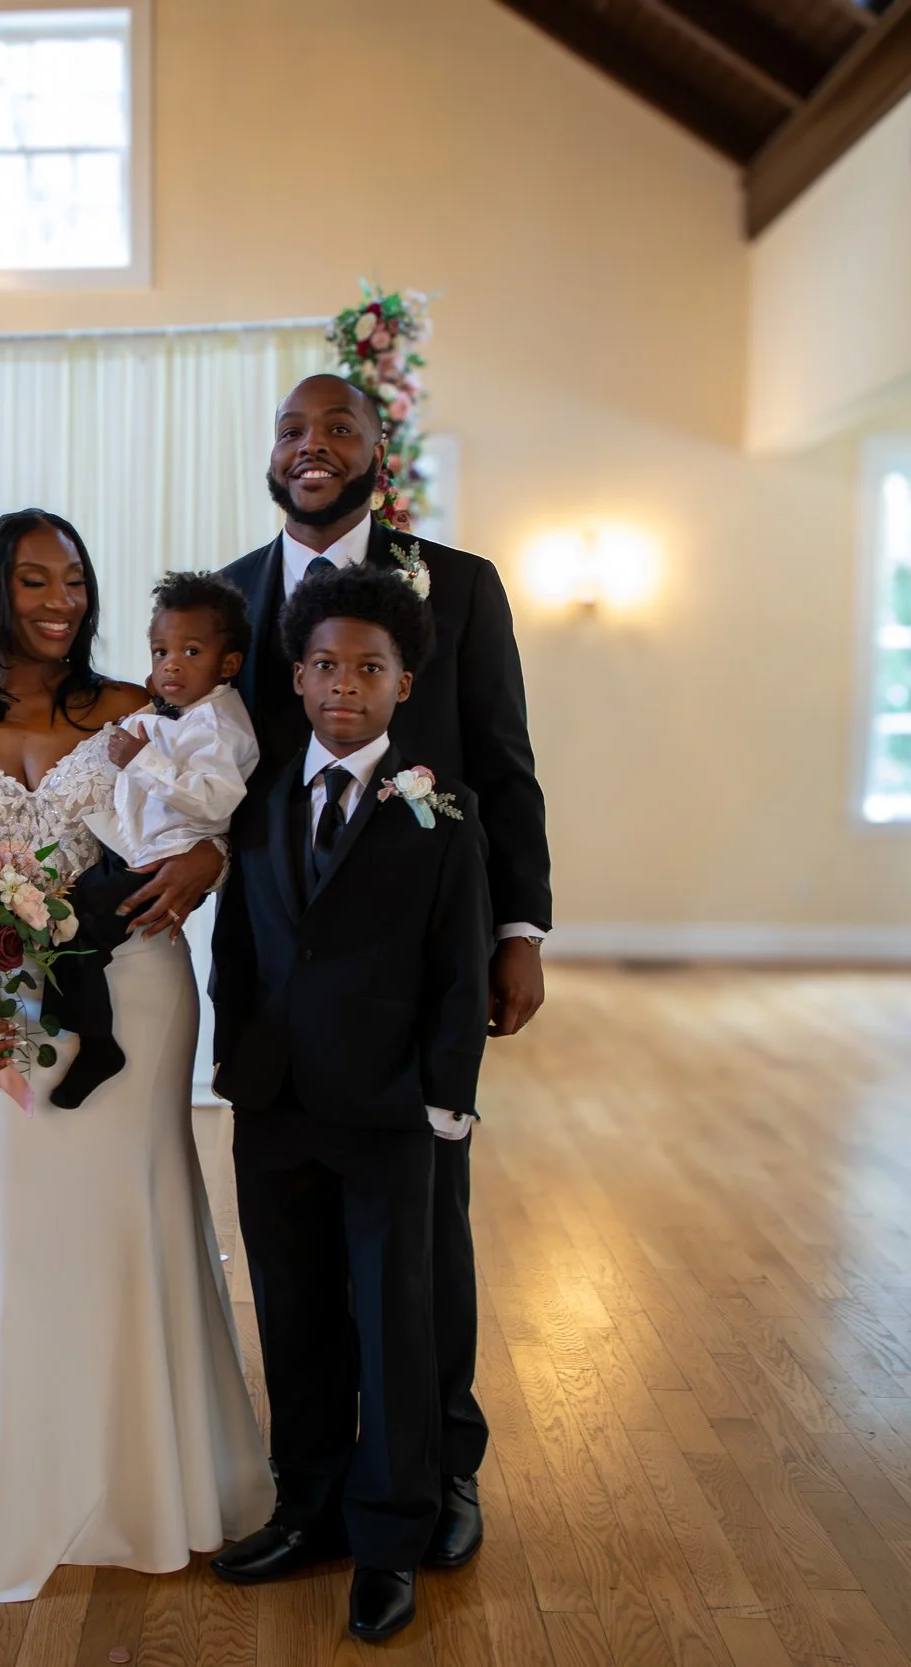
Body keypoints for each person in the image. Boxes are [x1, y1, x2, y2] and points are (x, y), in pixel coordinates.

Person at [0, 510, 272, 1602]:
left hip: (137, 994)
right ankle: (17, 1478)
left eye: (78, 581)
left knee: (136, 1212)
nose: (62, 599)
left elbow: (218, 804)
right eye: (37, 579)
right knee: (25, 1221)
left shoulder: (141, 706)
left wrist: (212, 855)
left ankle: (155, 1479)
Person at [191, 373, 549, 1570]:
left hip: (409, 979)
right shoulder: (230, 602)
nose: (311, 446)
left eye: (338, 426)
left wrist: (519, 932)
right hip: (287, 993)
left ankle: (438, 1464)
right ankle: (319, 1486)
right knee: (294, 1270)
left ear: (378, 450)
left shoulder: (463, 584)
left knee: (420, 1252)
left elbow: (502, 767)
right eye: (290, 428)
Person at [207, 567, 490, 1643]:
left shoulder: (438, 816)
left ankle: (388, 1534)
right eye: (324, 664)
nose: (342, 684)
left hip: (387, 1115)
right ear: (298, 673)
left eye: (367, 667)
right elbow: (240, 948)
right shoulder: (261, 800)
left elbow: (459, 978)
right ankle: (309, 1506)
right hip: (276, 1105)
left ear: (401, 681)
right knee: (293, 1310)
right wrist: (236, 1063)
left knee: (392, 1322)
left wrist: (443, 1103)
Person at [51, 570, 259, 1109]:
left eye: (190, 651)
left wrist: (139, 758)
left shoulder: (218, 723)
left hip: (159, 865)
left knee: (77, 935)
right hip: (136, 851)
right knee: (66, 923)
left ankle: (97, 1045)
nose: (170, 663)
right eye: (160, 649)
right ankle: (70, 1011)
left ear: (228, 664)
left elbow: (214, 799)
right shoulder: (186, 714)